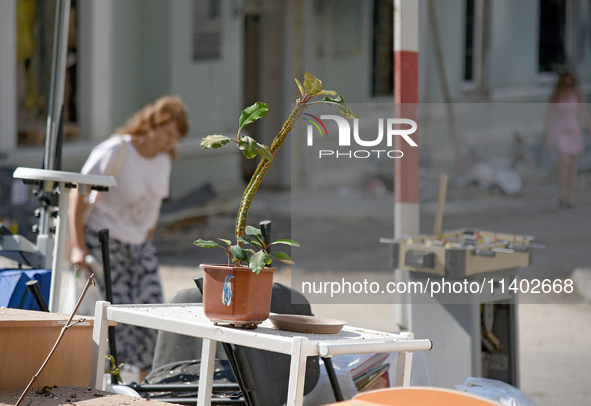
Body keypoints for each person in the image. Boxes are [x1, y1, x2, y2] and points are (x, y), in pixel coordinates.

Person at [69, 96, 189, 377]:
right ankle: (111, 381)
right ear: (151, 125)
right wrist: (77, 246)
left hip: (140, 246)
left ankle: (146, 385)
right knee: (116, 318)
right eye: (168, 133)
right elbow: (79, 191)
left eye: (177, 137)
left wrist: (147, 239)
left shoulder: (163, 162)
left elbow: (155, 204)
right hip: (105, 242)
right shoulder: (117, 149)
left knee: (154, 314)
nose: (170, 142)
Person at [545, 71, 591, 209]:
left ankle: (569, 198)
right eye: (566, 84)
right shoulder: (556, 95)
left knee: (572, 167)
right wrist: (547, 136)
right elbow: (549, 116)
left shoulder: (577, 94)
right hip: (560, 132)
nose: (568, 86)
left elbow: (585, 113)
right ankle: (562, 194)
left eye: (571, 84)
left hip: (575, 132)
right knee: (564, 162)